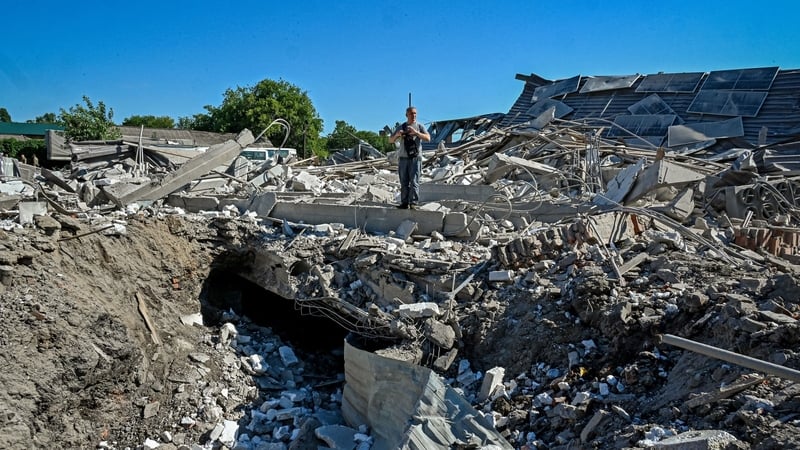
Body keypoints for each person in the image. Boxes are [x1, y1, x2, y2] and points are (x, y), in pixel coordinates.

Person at [389, 106, 430, 209]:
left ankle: (414, 203)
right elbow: (390, 140)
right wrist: (398, 135)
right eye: (411, 113)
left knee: (414, 181)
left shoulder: (420, 126)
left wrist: (416, 133)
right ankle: (404, 202)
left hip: (415, 158)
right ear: (406, 115)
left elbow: (428, 138)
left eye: (415, 113)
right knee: (404, 182)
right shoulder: (402, 127)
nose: (413, 115)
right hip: (403, 158)